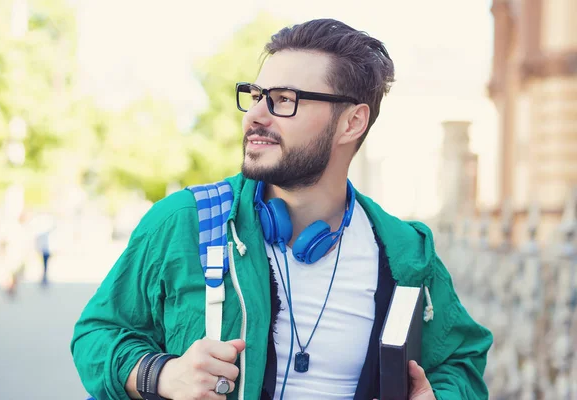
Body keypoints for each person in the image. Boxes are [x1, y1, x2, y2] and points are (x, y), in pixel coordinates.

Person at [71, 18, 493, 400]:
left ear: (352, 122)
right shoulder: (183, 221)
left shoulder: (405, 252)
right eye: (255, 96)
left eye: (284, 99)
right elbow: (97, 333)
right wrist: (161, 374)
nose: (256, 115)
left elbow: (461, 361)